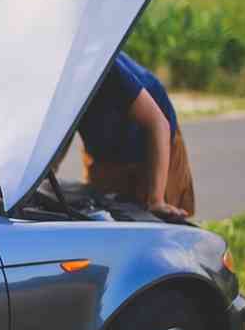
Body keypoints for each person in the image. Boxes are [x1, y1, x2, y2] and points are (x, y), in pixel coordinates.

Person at [77, 51, 195, 221]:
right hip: (104, 151)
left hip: (154, 141)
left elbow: (158, 124)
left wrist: (156, 200)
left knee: (158, 222)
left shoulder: (103, 65)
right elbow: (59, 130)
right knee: (102, 219)